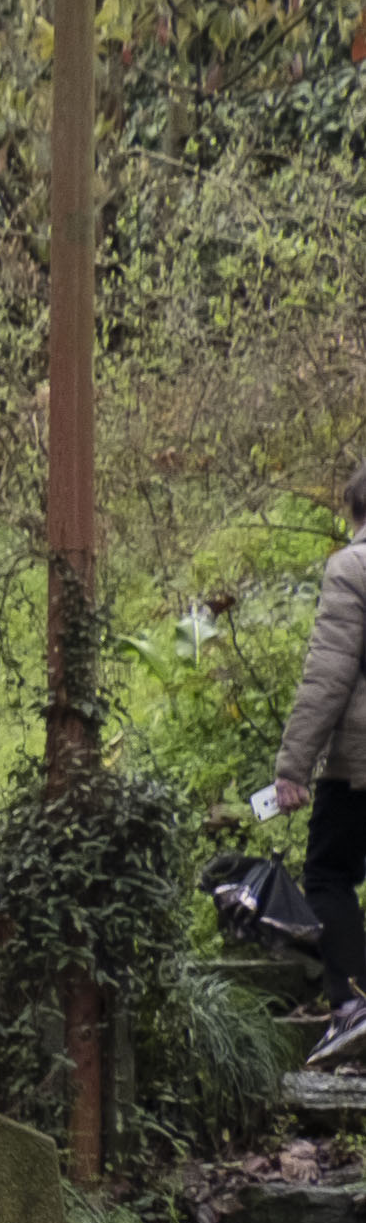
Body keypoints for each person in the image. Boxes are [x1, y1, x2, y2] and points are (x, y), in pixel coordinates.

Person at [255, 453, 366, 1073]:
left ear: (355, 510)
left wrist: (294, 766)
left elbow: (329, 675)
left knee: (328, 872)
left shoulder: (352, 566)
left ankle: (352, 1006)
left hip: (358, 765)